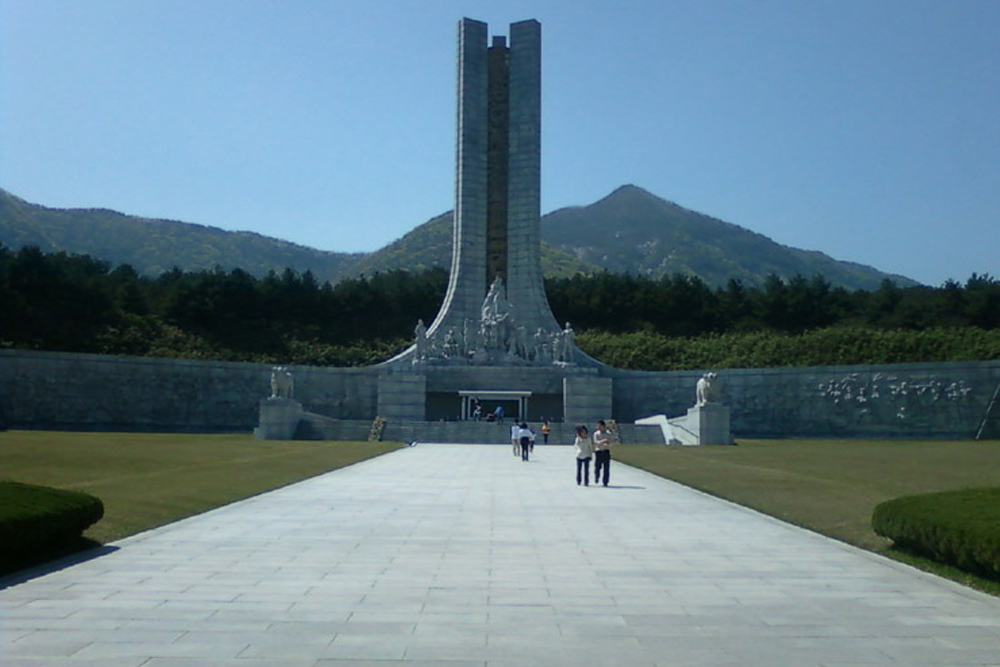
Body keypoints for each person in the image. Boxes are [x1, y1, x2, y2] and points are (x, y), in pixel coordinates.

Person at [593, 419, 613, 487]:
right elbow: (596, 443)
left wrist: (605, 443)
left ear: (603, 426)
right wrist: (603, 441)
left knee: (606, 467)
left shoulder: (608, 434)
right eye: (597, 426)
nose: (598, 427)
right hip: (598, 452)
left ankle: (605, 481)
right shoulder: (596, 434)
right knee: (597, 467)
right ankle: (597, 476)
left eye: (600, 426)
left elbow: (610, 442)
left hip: (606, 451)